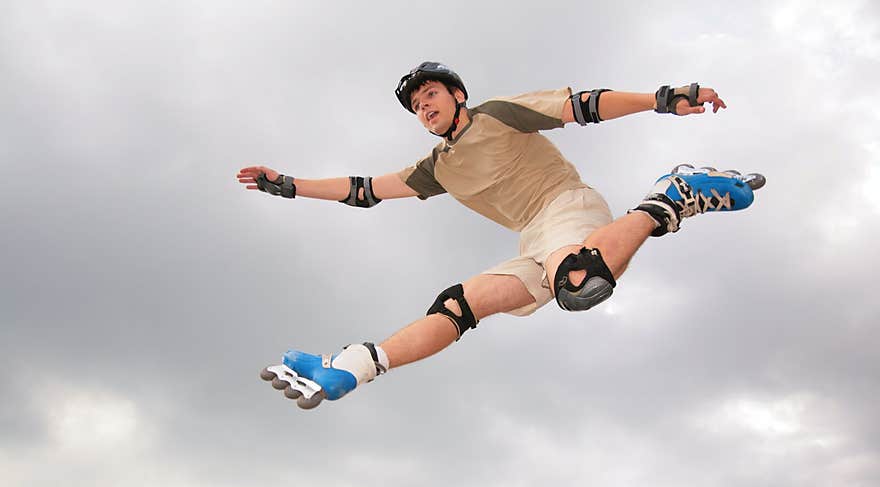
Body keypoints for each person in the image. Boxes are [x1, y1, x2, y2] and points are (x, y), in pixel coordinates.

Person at [238, 62, 764, 409]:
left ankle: (674, 195)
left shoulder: (495, 115)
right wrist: (288, 186)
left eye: (432, 94)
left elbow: (582, 105)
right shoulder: (436, 168)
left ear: (457, 95)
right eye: (417, 105)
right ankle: (356, 364)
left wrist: (660, 98)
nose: (425, 106)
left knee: (578, 278)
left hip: (566, 206)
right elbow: (364, 190)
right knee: (460, 304)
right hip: (533, 240)